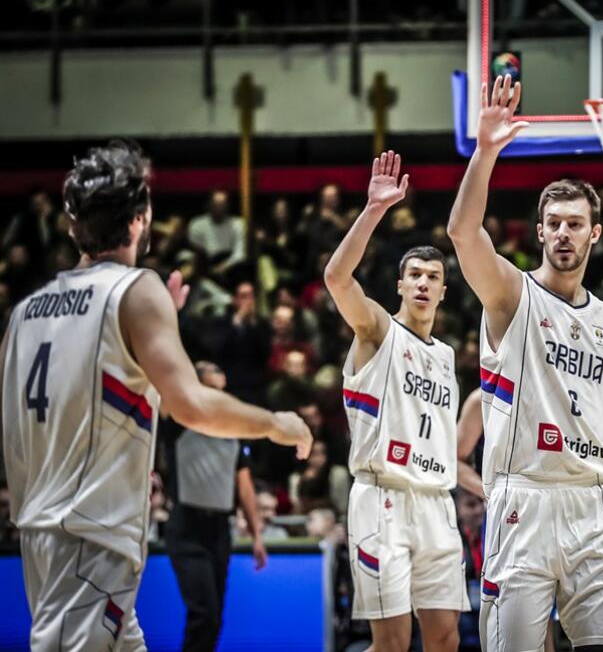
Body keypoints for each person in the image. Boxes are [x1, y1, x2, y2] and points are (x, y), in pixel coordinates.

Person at [0, 140, 312, 651]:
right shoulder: (133, 291)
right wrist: (276, 422)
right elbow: (192, 406)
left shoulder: (26, 312)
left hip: (44, 532)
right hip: (90, 535)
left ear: (72, 222)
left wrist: (142, 333)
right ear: (142, 217)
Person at [447, 74, 603, 652]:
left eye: (574, 224)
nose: (562, 233)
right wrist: (485, 151)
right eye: (552, 224)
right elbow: (461, 231)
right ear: (539, 232)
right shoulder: (511, 294)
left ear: (594, 234)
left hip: (597, 503)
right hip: (524, 499)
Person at [323, 150, 469, 652]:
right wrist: (373, 210)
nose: (424, 283)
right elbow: (337, 280)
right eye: (416, 276)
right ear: (400, 286)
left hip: (436, 502)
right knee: (391, 643)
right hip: (382, 498)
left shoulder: (448, 357)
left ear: (444, 291)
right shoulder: (378, 330)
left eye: (433, 277)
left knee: (446, 638)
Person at [162, 360, 269, 652]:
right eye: (210, 388)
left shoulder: (233, 431)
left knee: (215, 616)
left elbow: (244, 484)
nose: (218, 397)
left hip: (220, 529)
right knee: (203, 613)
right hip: (187, 527)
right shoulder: (178, 421)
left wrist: (257, 534)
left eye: (221, 390)